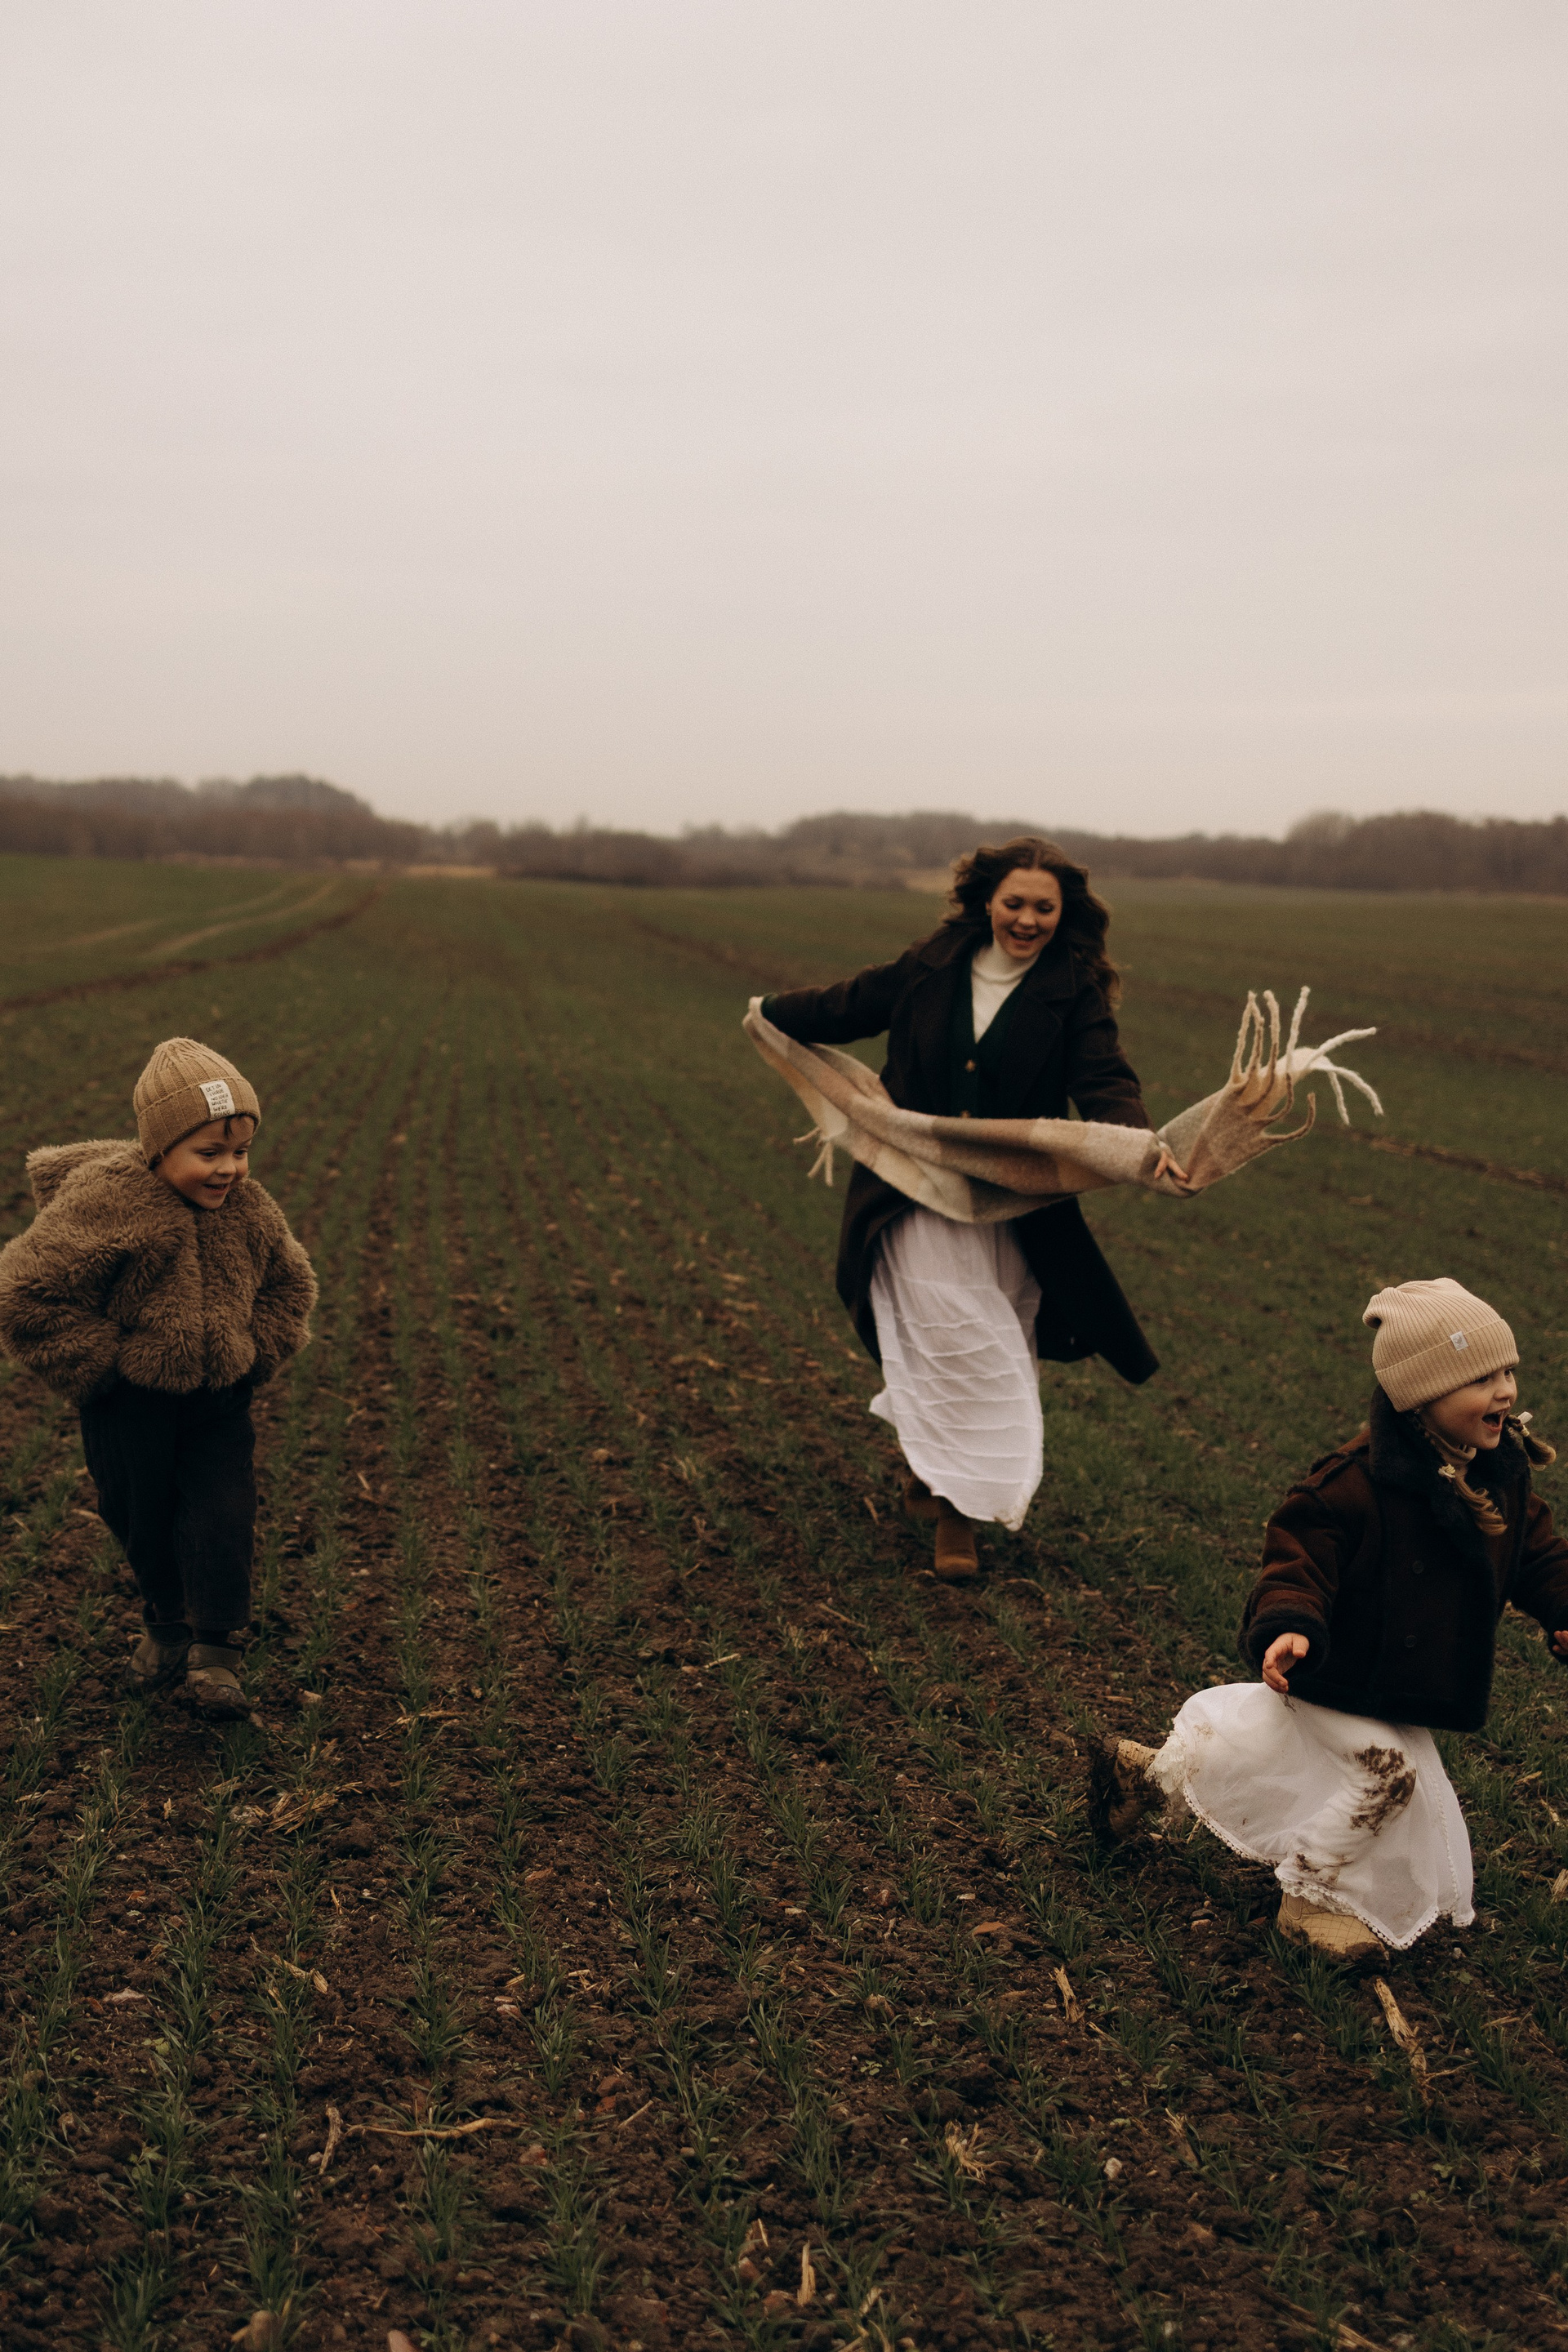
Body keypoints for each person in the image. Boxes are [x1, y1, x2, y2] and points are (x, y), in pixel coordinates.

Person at [1089, 1279, 1568, 1960]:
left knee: (1274, 1754)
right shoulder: (1351, 1485)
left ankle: (1143, 1775)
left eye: (1508, 1372)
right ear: (1421, 1394)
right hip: (1335, 1665)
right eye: (1481, 1378)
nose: (1506, 1392)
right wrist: (1292, 1622)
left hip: (1396, 1679)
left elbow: (1537, 1555)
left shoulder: (1497, 1475)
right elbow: (1298, 1558)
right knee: (1387, 1775)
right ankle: (1309, 1897)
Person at [758, 835, 1183, 1580]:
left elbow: (1104, 1077)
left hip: (1014, 1207)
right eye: (1015, 903)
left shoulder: (1072, 991)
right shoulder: (932, 965)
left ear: (1063, 914)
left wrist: (1137, 1143)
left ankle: (934, 1470)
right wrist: (768, 1013)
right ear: (987, 901)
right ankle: (958, 1516)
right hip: (916, 1190)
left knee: (993, 1337)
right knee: (958, 1338)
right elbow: (848, 1005)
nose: (1028, 920)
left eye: (1044, 908)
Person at [0, 1037, 317, 1719]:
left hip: (218, 1402)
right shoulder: (105, 1206)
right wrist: (106, 1365)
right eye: (210, 1152)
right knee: (141, 1516)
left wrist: (255, 1353)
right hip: (128, 1405)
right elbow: (24, 1295)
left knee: (225, 1515)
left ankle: (217, 1654)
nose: (229, 1168)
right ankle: (167, 1625)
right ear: (158, 1147)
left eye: (241, 1151)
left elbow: (291, 1286)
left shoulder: (252, 1211)